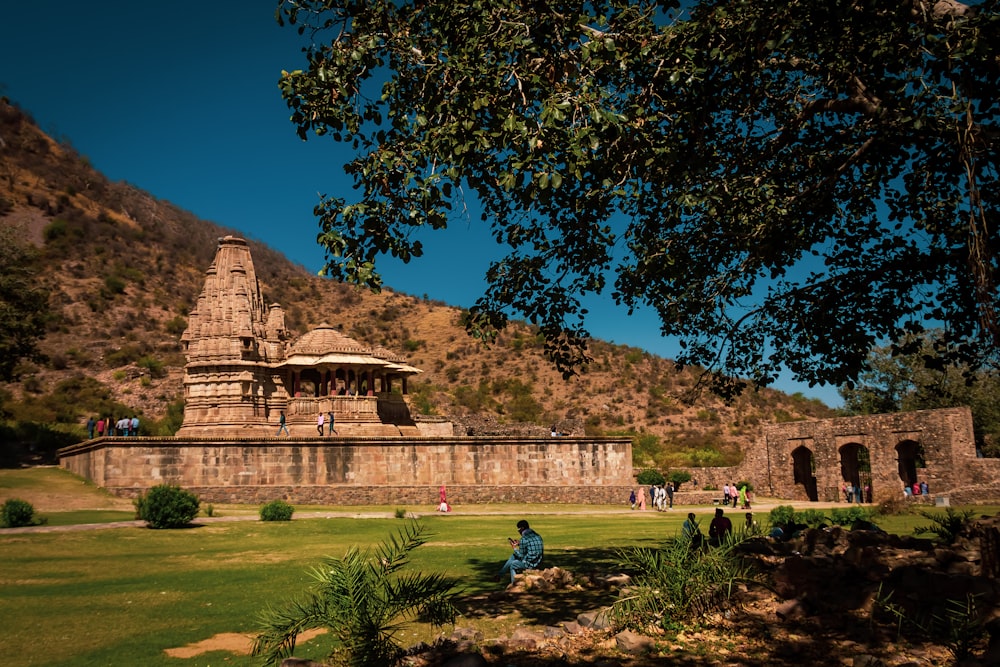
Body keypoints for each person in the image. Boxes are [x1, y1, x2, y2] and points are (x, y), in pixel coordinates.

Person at [497, 519, 543, 584]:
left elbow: (521, 556)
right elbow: (530, 546)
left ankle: (514, 584)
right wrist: (519, 544)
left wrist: (514, 548)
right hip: (538, 561)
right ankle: (499, 575)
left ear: (522, 528)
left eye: (518, 530)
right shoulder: (537, 536)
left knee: (513, 564)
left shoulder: (524, 539)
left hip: (531, 564)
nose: (518, 532)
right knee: (513, 556)